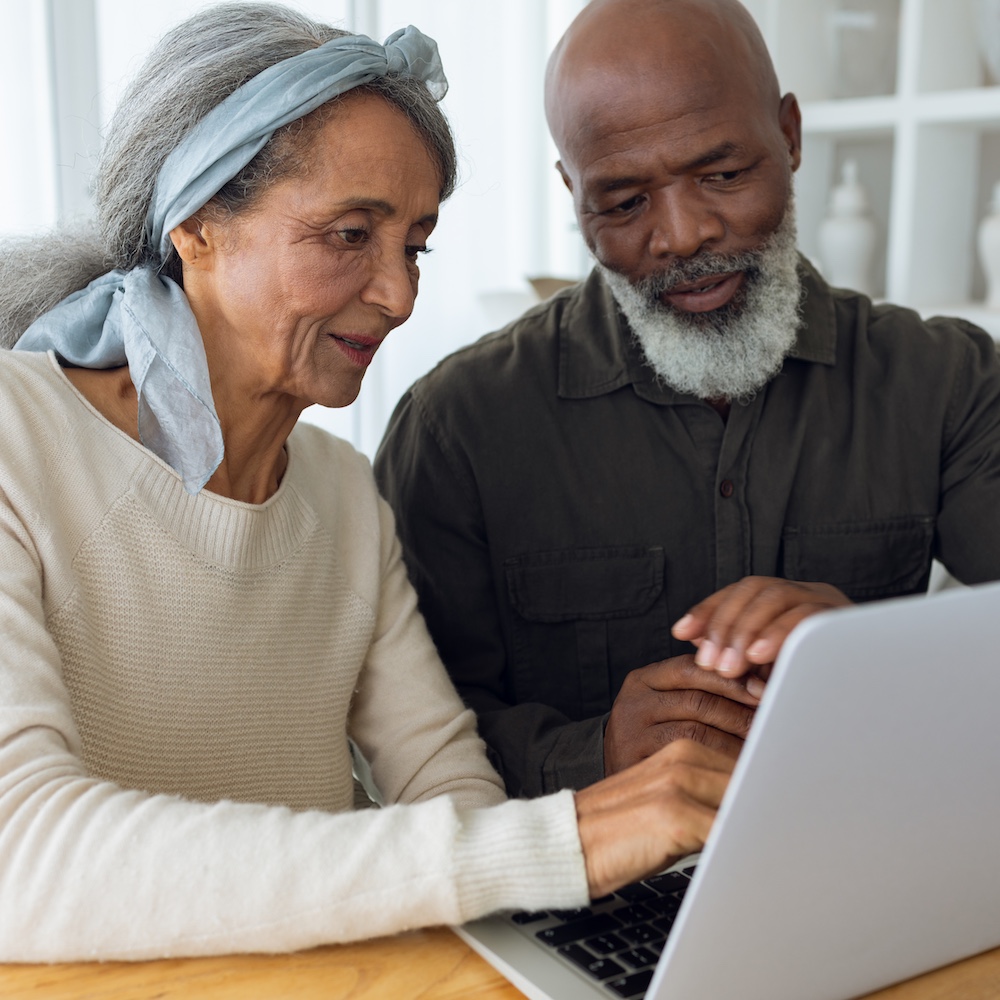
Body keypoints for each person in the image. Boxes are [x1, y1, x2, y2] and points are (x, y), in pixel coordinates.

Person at [0, 2, 736, 962]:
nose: (398, 294)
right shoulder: (17, 437)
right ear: (196, 225)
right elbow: (20, 858)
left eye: (414, 246)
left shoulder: (343, 493)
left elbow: (446, 787)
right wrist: (565, 841)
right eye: (351, 234)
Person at [374, 0, 1000, 798]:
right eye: (624, 202)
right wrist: (596, 753)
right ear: (572, 192)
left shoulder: (946, 384)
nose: (681, 235)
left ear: (791, 135)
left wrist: (874, 660)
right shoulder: (457, 429)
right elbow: (398, 750)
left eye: (722, 175)